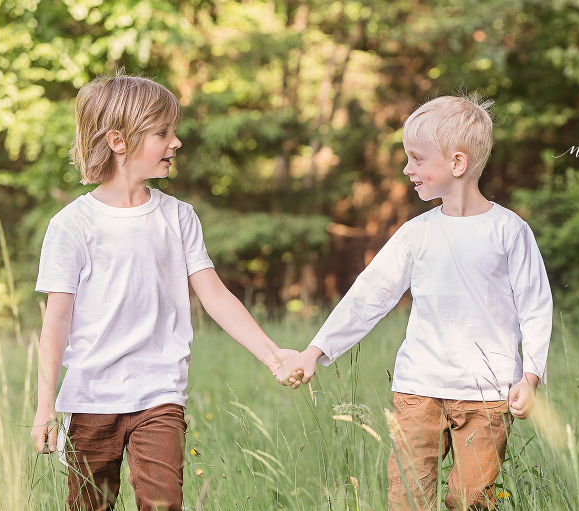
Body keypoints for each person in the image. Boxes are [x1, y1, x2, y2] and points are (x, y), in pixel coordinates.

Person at [30, 71, 298, 511]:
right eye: (162, 133)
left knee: (163, 504)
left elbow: (215, 296)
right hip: (91, 396)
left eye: (174, 132)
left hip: (160, 393)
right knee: (87, 505)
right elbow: (55, 322)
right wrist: (45, 407)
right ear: (119, 141)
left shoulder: (178, 217)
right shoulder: (71, 226)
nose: (176, 143)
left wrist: (272, 354)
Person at [274, 95, 552, 510]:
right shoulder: (415, 234)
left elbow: (536, 307)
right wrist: (316, 351)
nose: (407, 169)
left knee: (472, 499)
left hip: (489, 395)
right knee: (408, 496)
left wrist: (529, 377)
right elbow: (368, 296)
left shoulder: (509, 231)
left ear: (457, 164)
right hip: (418, 390)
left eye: (417, 159)